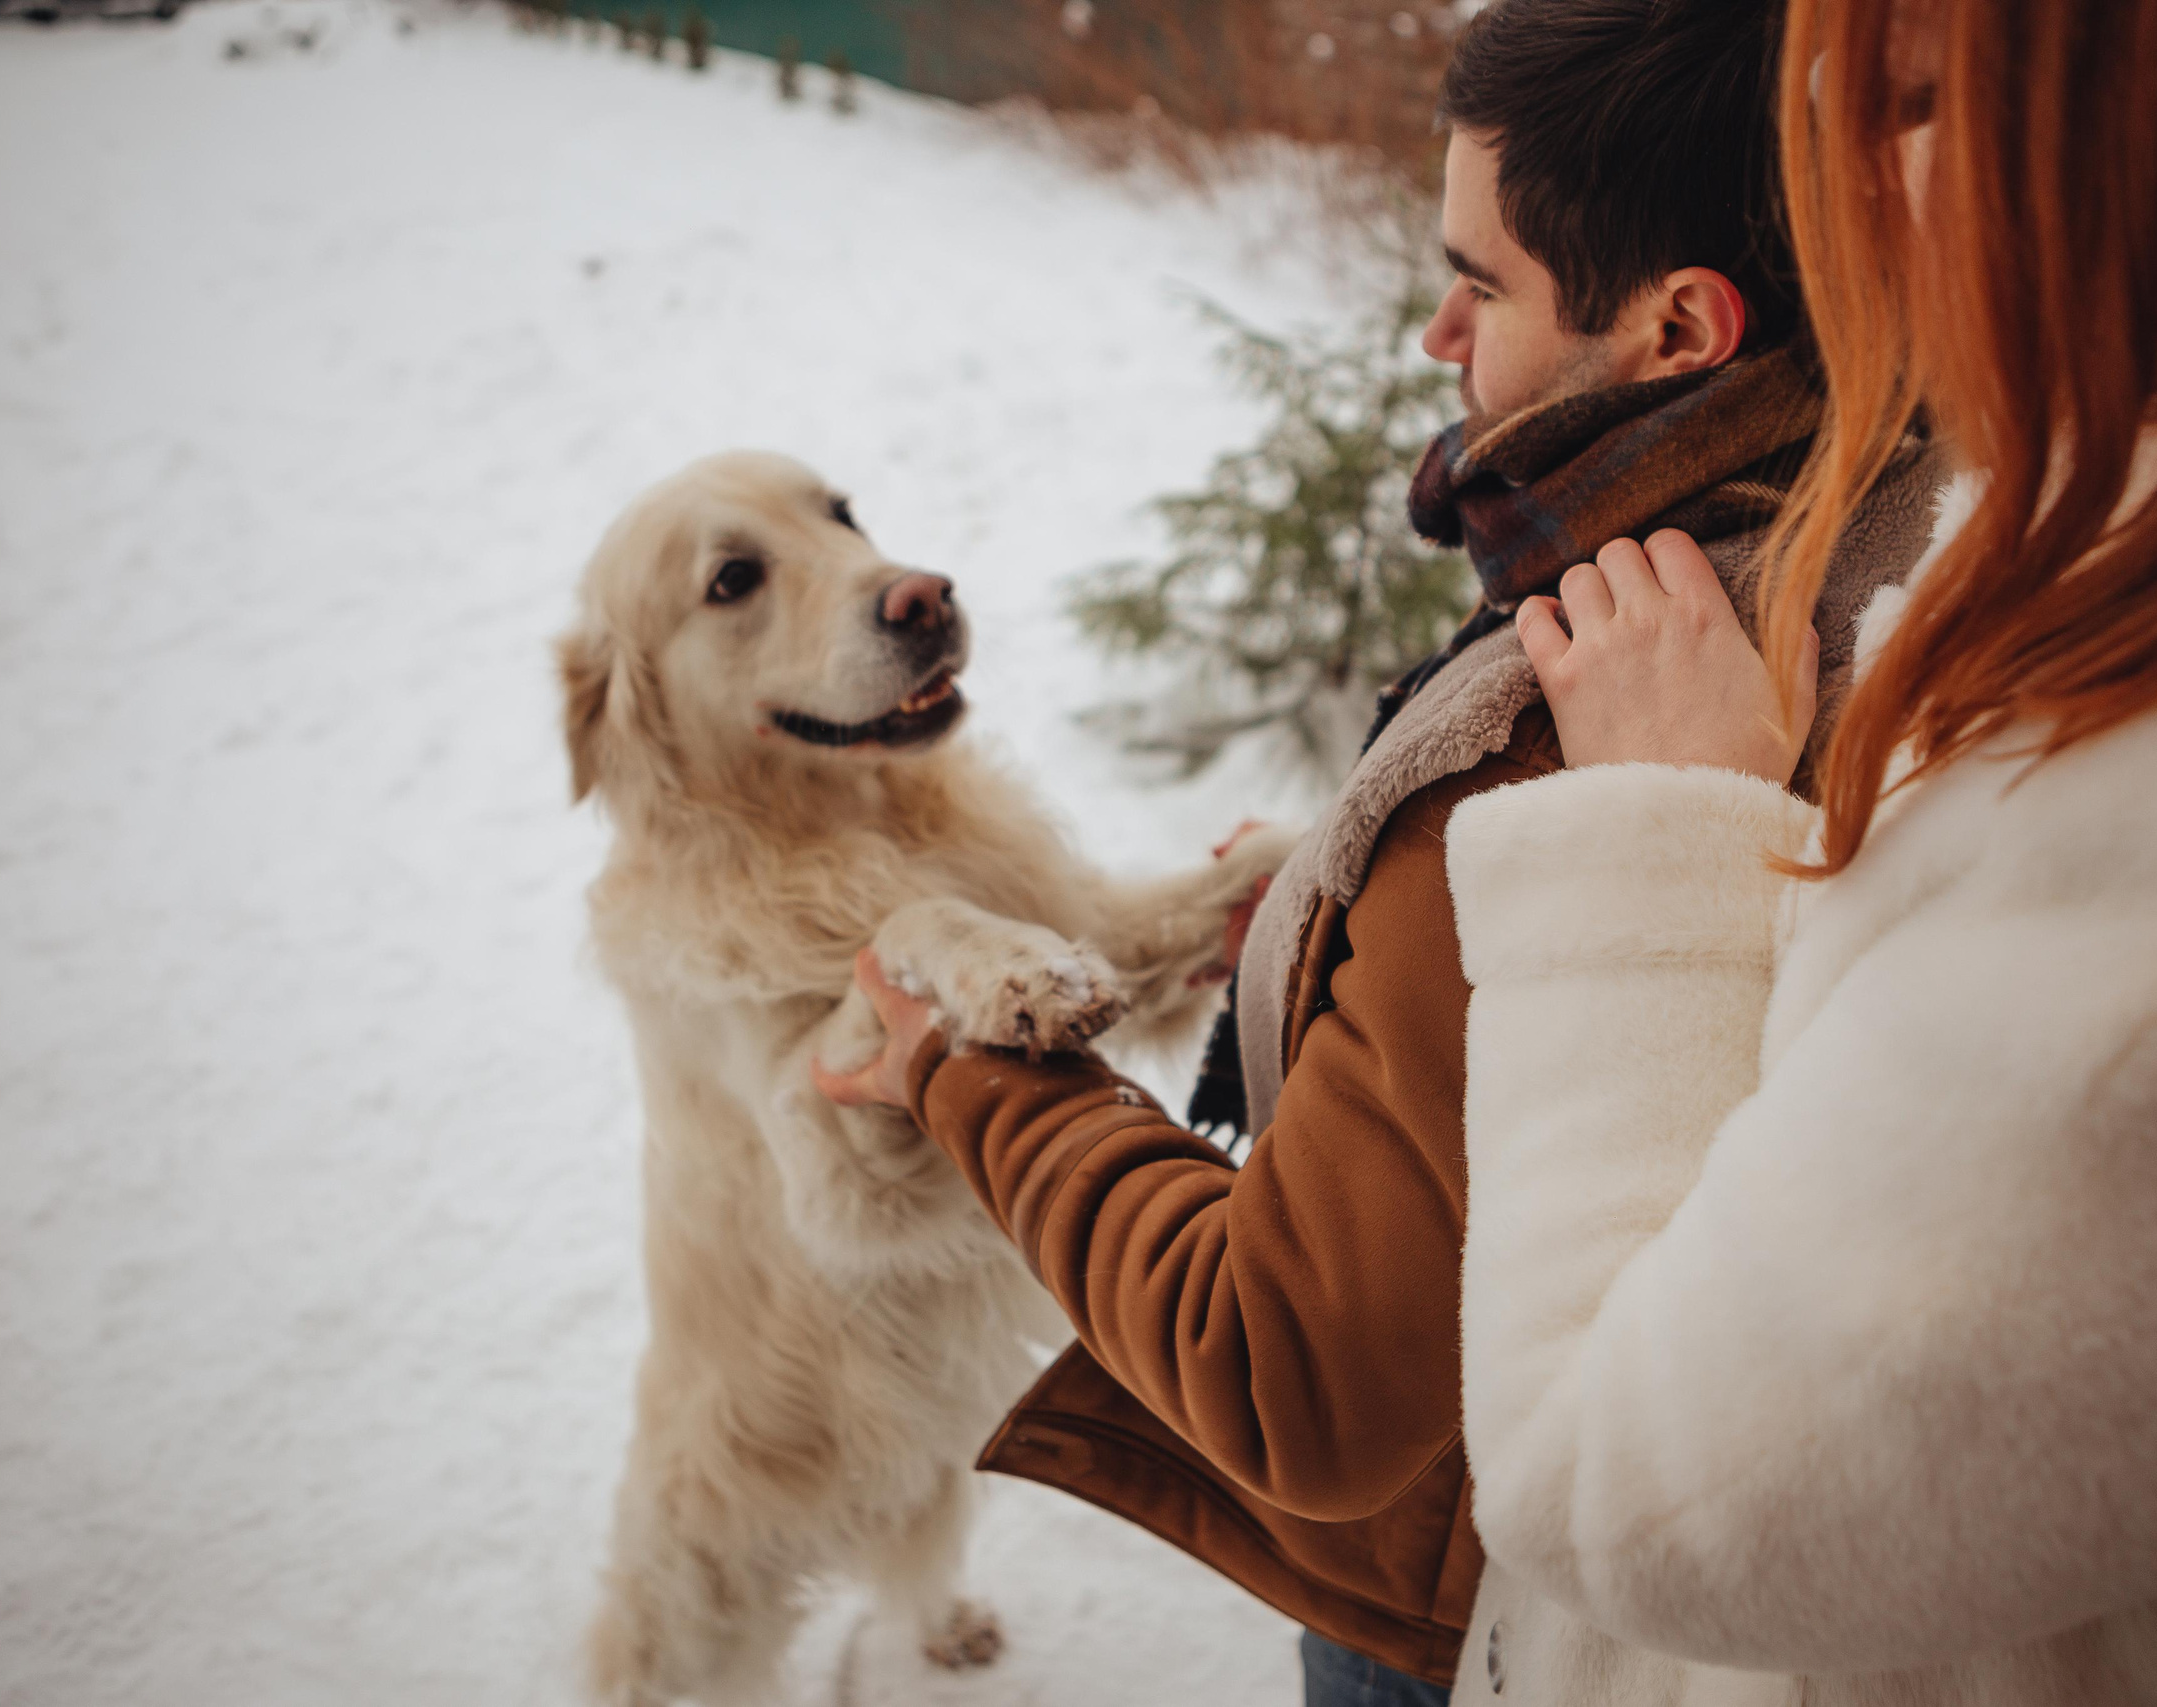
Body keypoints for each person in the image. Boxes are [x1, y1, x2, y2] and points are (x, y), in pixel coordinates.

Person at [820, 1, 1943, 1700]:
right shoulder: (1887, 529)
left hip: (1470, 1614)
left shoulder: (1562, 724)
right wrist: (1340, 934)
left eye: (1481, 282)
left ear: (1678, 327)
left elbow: (1288, 1375)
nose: (1437, 332)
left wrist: (963, 1072)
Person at [1436, 0, 2157, 1701]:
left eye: (1910, 98)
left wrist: (1658, 840)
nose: (1833, 165)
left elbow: (1619, 1485)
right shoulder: (2123, 532)